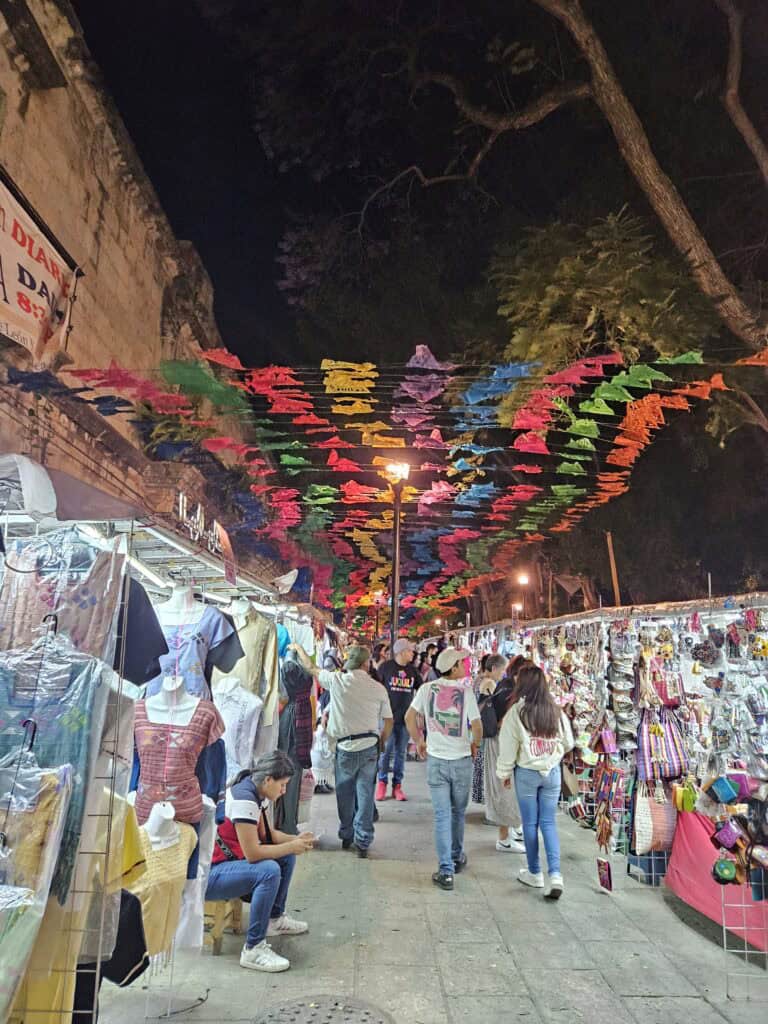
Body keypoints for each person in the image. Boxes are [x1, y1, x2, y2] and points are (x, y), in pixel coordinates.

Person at [205, 750, 314, 973]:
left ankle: (274, 920)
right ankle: (253, 947)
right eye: (282, 785)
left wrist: (297, 841)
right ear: (267, 780)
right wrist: (291, 846)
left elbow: (269, 837)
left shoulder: (256, 791)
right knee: (269, 870)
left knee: (285, 856)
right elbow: (253, 853)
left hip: (229, 864)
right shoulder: (246, 799)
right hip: (211, 874)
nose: (284, 791)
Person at [292, 642, 392, 856]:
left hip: (345, 747)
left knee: (345, 794)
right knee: (365, 794)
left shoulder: (337, 681)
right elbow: (389, 720)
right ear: (366, 664)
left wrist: (300, 648)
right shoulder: (378, 688)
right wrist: (381, 741)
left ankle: (347, 833)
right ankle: (363, 840)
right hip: (369, 747)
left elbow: (312, 668)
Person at [405, 647, 482, 891]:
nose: (464, 665)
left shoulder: (426, 689)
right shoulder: (466, 691)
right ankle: (457, 857)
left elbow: (409, 717)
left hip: (436, 760)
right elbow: (477, 726)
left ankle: (446, 870)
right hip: (461, 761)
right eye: (461, 662)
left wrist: (419, 741)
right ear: (453, 667)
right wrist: (474, 745)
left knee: (442, 816)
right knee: (458, 812)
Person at [496, 664, 574, 899]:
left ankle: (535, 872)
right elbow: (568, 743)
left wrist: (504, 775)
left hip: (527, 774)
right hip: (552, 773)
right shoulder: (556, 712)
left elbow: (508, 749)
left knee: (530, 824)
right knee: (548, 823)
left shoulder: (516, 713)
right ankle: (556, 875)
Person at [481, 654, 526, 853]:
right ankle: (505, 837)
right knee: (506, 788)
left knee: (506, 788)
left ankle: (512, 829)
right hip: (501, 742)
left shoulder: (503, 686)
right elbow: (502, 721)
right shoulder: (507, 690)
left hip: (500, 742)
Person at [375, 638, 420, 802]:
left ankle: (397, 786)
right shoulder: (385, 668)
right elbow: (376, 688)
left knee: (401, 753)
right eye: (410, 650)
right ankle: (382, 782)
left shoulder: (413, 671)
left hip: (406, 720)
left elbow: (421, 690)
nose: (412, 653)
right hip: (387, 718)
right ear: (401, 651)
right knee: (385, 752)